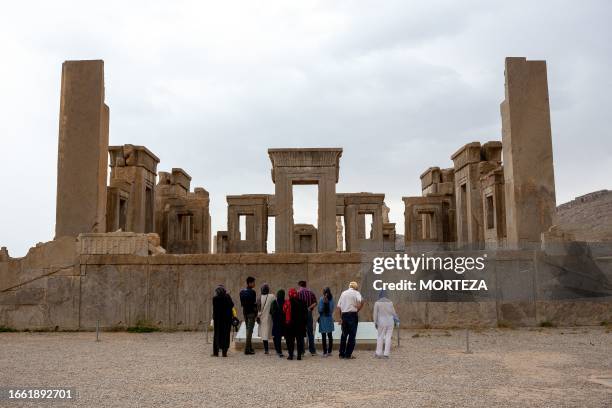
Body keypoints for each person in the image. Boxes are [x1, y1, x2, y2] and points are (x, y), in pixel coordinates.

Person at [336, 281, 363, 359]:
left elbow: (338, 307)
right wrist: (358, 309)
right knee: (352, 335)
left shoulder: (343, 293)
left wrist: (340, 318)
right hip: (352, 315)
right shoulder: (356, 293)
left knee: (344, 335)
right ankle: (348, 354)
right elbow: (362, 301)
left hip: (344, 315)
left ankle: (341, 354)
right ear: (355, 287)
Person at [283, 288, 307, 360]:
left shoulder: (287, 302)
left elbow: (284, 311)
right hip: (300, 325)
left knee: (290, 340)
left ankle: (290, 355)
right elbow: (305, 314)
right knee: (299, 340)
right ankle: (299, 356)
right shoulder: (303, 302)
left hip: (290, 325)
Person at [373, 289, 397, 358]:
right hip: (390, 322)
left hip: (381, 322)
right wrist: (396, 320)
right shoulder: (390, 302)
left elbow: (375, 314)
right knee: (388, 337)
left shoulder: (377, 303)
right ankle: (386, 354)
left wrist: (375, 322)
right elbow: (394, 313)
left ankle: (378, 353)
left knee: (380, 337)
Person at [212, 285, 234, 357]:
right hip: (227, 320)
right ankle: (224, 352)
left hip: (218, 320)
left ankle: (216, 353)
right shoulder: (227, 297)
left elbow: (215, 310)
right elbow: (232, 305)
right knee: (226, 335)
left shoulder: (215, 299)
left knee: (217, 335)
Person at [297, 280, 318, 355]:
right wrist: (309, 308)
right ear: (305, 285)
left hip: (301, 314)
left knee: (301, 332)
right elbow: (315, 302)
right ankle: (312, 350)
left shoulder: (298, 293)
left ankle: (302, 351)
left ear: (300, 285)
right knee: (310, 332)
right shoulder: (310, 293)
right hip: (309, 313)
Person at [239, 276, 257, 355]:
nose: (254, 284)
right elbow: (254, 304)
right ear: (250, 283)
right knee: (249, 331)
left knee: (248, 330)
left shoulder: (242, 292)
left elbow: (242, 304)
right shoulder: (252, 292)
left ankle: (250, 347)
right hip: (251, 313)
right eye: (253, 282)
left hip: (245, 312)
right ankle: (247, 349)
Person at [257, 283, 275, 354]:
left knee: (264, 334)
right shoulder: (272, 296)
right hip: (270, 318)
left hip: (262, 318)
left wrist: (258, 316)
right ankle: (277, 348)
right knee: (272, 333)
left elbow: (258, 309)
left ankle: (266, 350)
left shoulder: (259, 298)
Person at [317, 287, 335, 357]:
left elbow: (320, 310)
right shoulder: (332, 300)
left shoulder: (321, 299)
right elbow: (332, 309)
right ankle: (329, 351)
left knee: (323, 336)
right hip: (329, 318)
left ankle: (325, 352)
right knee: (330, 335)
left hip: (323, 318)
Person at [269, 289, 286, 358]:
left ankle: (278, 350)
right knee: (286, 336)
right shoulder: (285, 302)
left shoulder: (274, 302)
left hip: (276, 322)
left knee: (276, 336)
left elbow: (271, 312)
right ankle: (290, 351)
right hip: (284, 322)